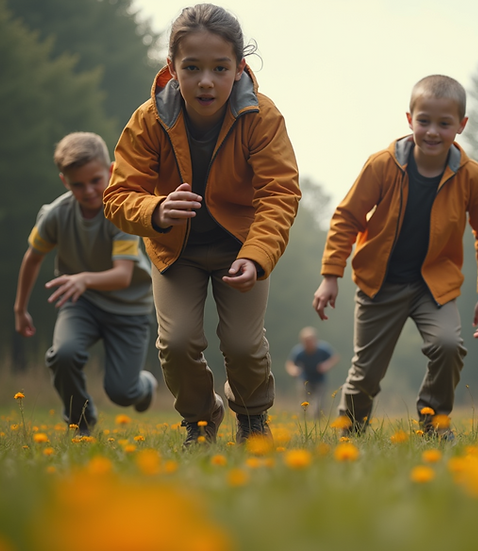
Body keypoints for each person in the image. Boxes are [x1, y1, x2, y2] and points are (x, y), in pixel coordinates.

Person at [103, 4, 299, 446]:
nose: (205, 80)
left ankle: (252, 419)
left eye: (219, 68)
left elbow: (279, 195)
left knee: (244, 346)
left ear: (239, 69)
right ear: (172, 68)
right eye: (191, 67)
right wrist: (155, 210)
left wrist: (256, 256)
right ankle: (201, 420)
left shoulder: (261, 118)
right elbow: (116, 197)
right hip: (176, 251)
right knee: (176, 344)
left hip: (241, 247)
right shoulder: (149, 119)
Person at [313, 75, 478, 438]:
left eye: (444, 124)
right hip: (379, 284)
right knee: (366, 370)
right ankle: (348, 433)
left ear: (461, 125)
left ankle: (434, 424)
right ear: (409, 119)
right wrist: (330, 275)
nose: (433, 131)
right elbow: (347, 217)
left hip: (434, 286)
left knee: (448, 346)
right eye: (424, 121)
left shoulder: (473, 178)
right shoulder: (383, 165)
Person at [13, 132, 156, 436]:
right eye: (78, 184)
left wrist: (83, 278)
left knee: (121, 392)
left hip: (128, 308)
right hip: (83, 303)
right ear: (65, 181)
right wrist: (20, 308)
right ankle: (81, 421)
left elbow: (122, 276)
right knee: (63, 355)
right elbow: (33, 258)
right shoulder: (56, 214)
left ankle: (143, 386)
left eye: (95, 180)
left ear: (111, 171)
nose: (89, 191)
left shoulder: (121, 212)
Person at [285, 327, 339, 418]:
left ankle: (317, 422)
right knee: (303, 403)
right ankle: (304, 421)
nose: (309, 343)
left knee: (319, 403)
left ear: (315, 340)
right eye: (306, 341)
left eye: (310, 340)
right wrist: (293, 370)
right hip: (305, 380)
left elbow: (335, 358)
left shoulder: (323, 349)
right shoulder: (299, 352)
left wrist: (326, 365)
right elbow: (290, 364)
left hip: (319, 380)